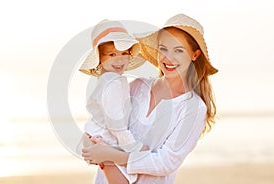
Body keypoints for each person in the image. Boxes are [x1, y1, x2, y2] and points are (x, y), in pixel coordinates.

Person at [82, 14, 218, 183]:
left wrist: (111, 157)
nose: (168, 58)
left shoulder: (193, 107)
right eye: (163, 48)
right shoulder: (138, 86)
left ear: (195, 55)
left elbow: (165, 162)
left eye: (179, 50)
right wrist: (93, 146)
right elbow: (106, 125)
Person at [78, 19, 147, 184]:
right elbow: (115, 121)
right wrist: (132, 146)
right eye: (112, 54)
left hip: (100, 136)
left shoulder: (109, 79)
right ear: (100, 59)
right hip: (106, 139)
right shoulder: (113, 82)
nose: (120, 60)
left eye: (124, 53)